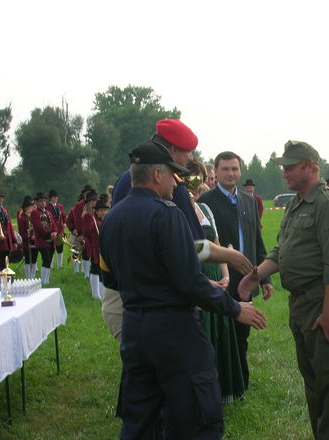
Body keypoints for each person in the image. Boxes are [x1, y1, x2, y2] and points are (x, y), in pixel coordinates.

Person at [99, 141, 267, 439]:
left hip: (135, 327)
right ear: (156, 176)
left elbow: (110, 278)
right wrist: (234, 308)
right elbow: (189, 281)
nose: (176, 182)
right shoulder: (167, 214)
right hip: (174, 329)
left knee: (140, 417)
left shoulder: (112, 217)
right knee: (196, 417)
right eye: (173, 175)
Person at [238, 140, 329, 440]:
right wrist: (255, 275)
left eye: (290, 167)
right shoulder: (297, 202)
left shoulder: (326, 203)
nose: (284, 173)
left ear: (310, 167)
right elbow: (281, 249)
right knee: (313, 380)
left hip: (321, 300)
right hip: (301, 302)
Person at [104, 119, 253, 343]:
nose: (190, 159)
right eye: (188, 152)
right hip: (164, 304)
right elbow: (193, 247)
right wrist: (230, 256)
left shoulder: (127, 179)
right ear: (172, 150)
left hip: (125, 293)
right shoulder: (173, 187)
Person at [198, 151, 273, 391]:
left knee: (242, 331)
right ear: (216, 172)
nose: (231, 174)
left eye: (235, 169)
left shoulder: (250, 201)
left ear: (240, 171)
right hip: (218, 277)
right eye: (225, 169)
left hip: (246, 279)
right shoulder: (206, 202)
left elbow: (257, 241)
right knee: (220, 331)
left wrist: (264, 277)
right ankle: (221, 381)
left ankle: (241, 381)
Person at [188, 159, 245, 404]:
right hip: (195, 276)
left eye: (199, 179)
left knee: (220, 332)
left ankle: (223, 391)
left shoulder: (205, 210)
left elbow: (218, 245)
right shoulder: (175, 209)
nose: (196, 184)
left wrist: (226, 275)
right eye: (191, 179)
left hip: (215, 276)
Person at [31, 192, 58, 286]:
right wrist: (50, 234)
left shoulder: (48, 212)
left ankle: (47, 280)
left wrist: (55, 232)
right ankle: (43, 281)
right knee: (46, 259)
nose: (43, 203)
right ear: (37, 202)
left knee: (49, 260)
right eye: (41, 201)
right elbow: (38, 227)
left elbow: (54, 224)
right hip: (42, 241)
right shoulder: (35, 213)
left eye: (44, 201)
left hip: (51, 240)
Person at [83, 199, 108, 300]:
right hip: (97, 250)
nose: (103, 212)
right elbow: (93, 238)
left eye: (104, 210)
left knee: (101, 272)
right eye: (100, 210)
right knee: (95, 270)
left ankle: (100, 294)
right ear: (96, 212)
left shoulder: (104, 221)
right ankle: (96, 294)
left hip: (103, 250)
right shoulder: (95, 223)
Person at [17, 196, 38, 278]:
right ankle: (28, 277)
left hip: (35, 241)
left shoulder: (33, 217)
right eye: (31, 206)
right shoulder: (22, 218)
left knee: (34, 260)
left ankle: (33, 276)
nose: (33, 207)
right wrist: (29, 237)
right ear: (26, 208)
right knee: (28, 260)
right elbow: (22, 232)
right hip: (27, 242)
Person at [47, 190, 67, 269]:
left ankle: (60, 265)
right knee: (51, 248)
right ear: (50, 198)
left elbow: (64, 216)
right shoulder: (47, 207)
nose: (56, 198)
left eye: (56, 197)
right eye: (54, 197)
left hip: (60, 230)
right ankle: (50, 265)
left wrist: (64, 222)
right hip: (51, 231)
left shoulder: (60, 206)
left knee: (60, 248)